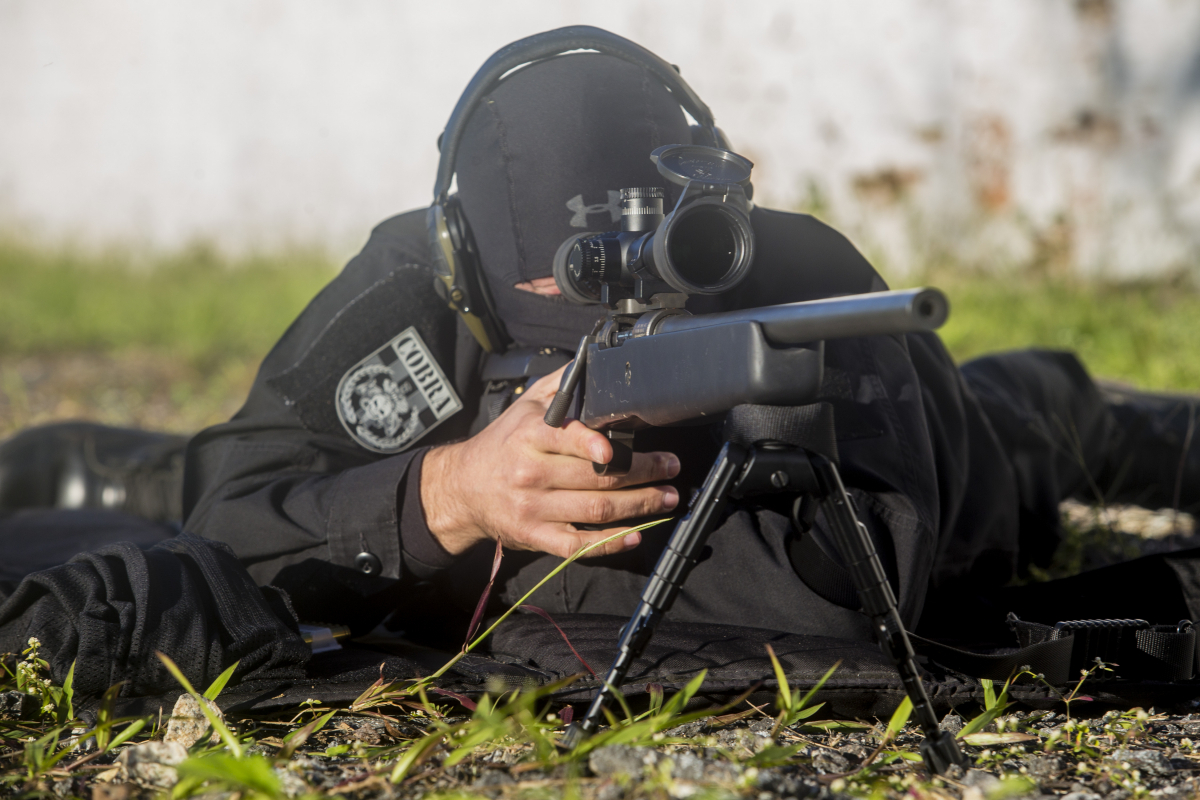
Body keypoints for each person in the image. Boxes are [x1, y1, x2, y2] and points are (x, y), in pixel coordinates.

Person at [172, 28, 1200, 653]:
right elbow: (227, 511)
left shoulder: (801, 277)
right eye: (555, 290)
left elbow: (863, 597)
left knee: (1039, 419)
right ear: (467, 263)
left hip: (970, 460)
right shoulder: (418, 287)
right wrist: (455, 491)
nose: (596, 309)